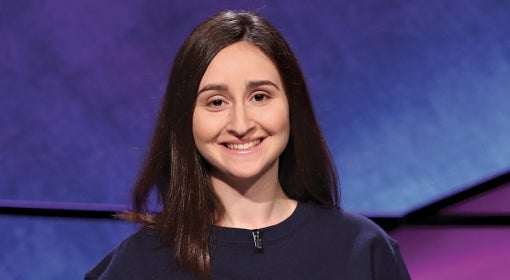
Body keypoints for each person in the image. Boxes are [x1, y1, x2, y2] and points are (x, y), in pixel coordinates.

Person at [85, 10, 410, 280]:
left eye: (259, 96)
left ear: (292, 106)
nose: (240, 125)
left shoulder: (362, 250)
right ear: (186, 119)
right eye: (215, 102)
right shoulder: (139, 265)